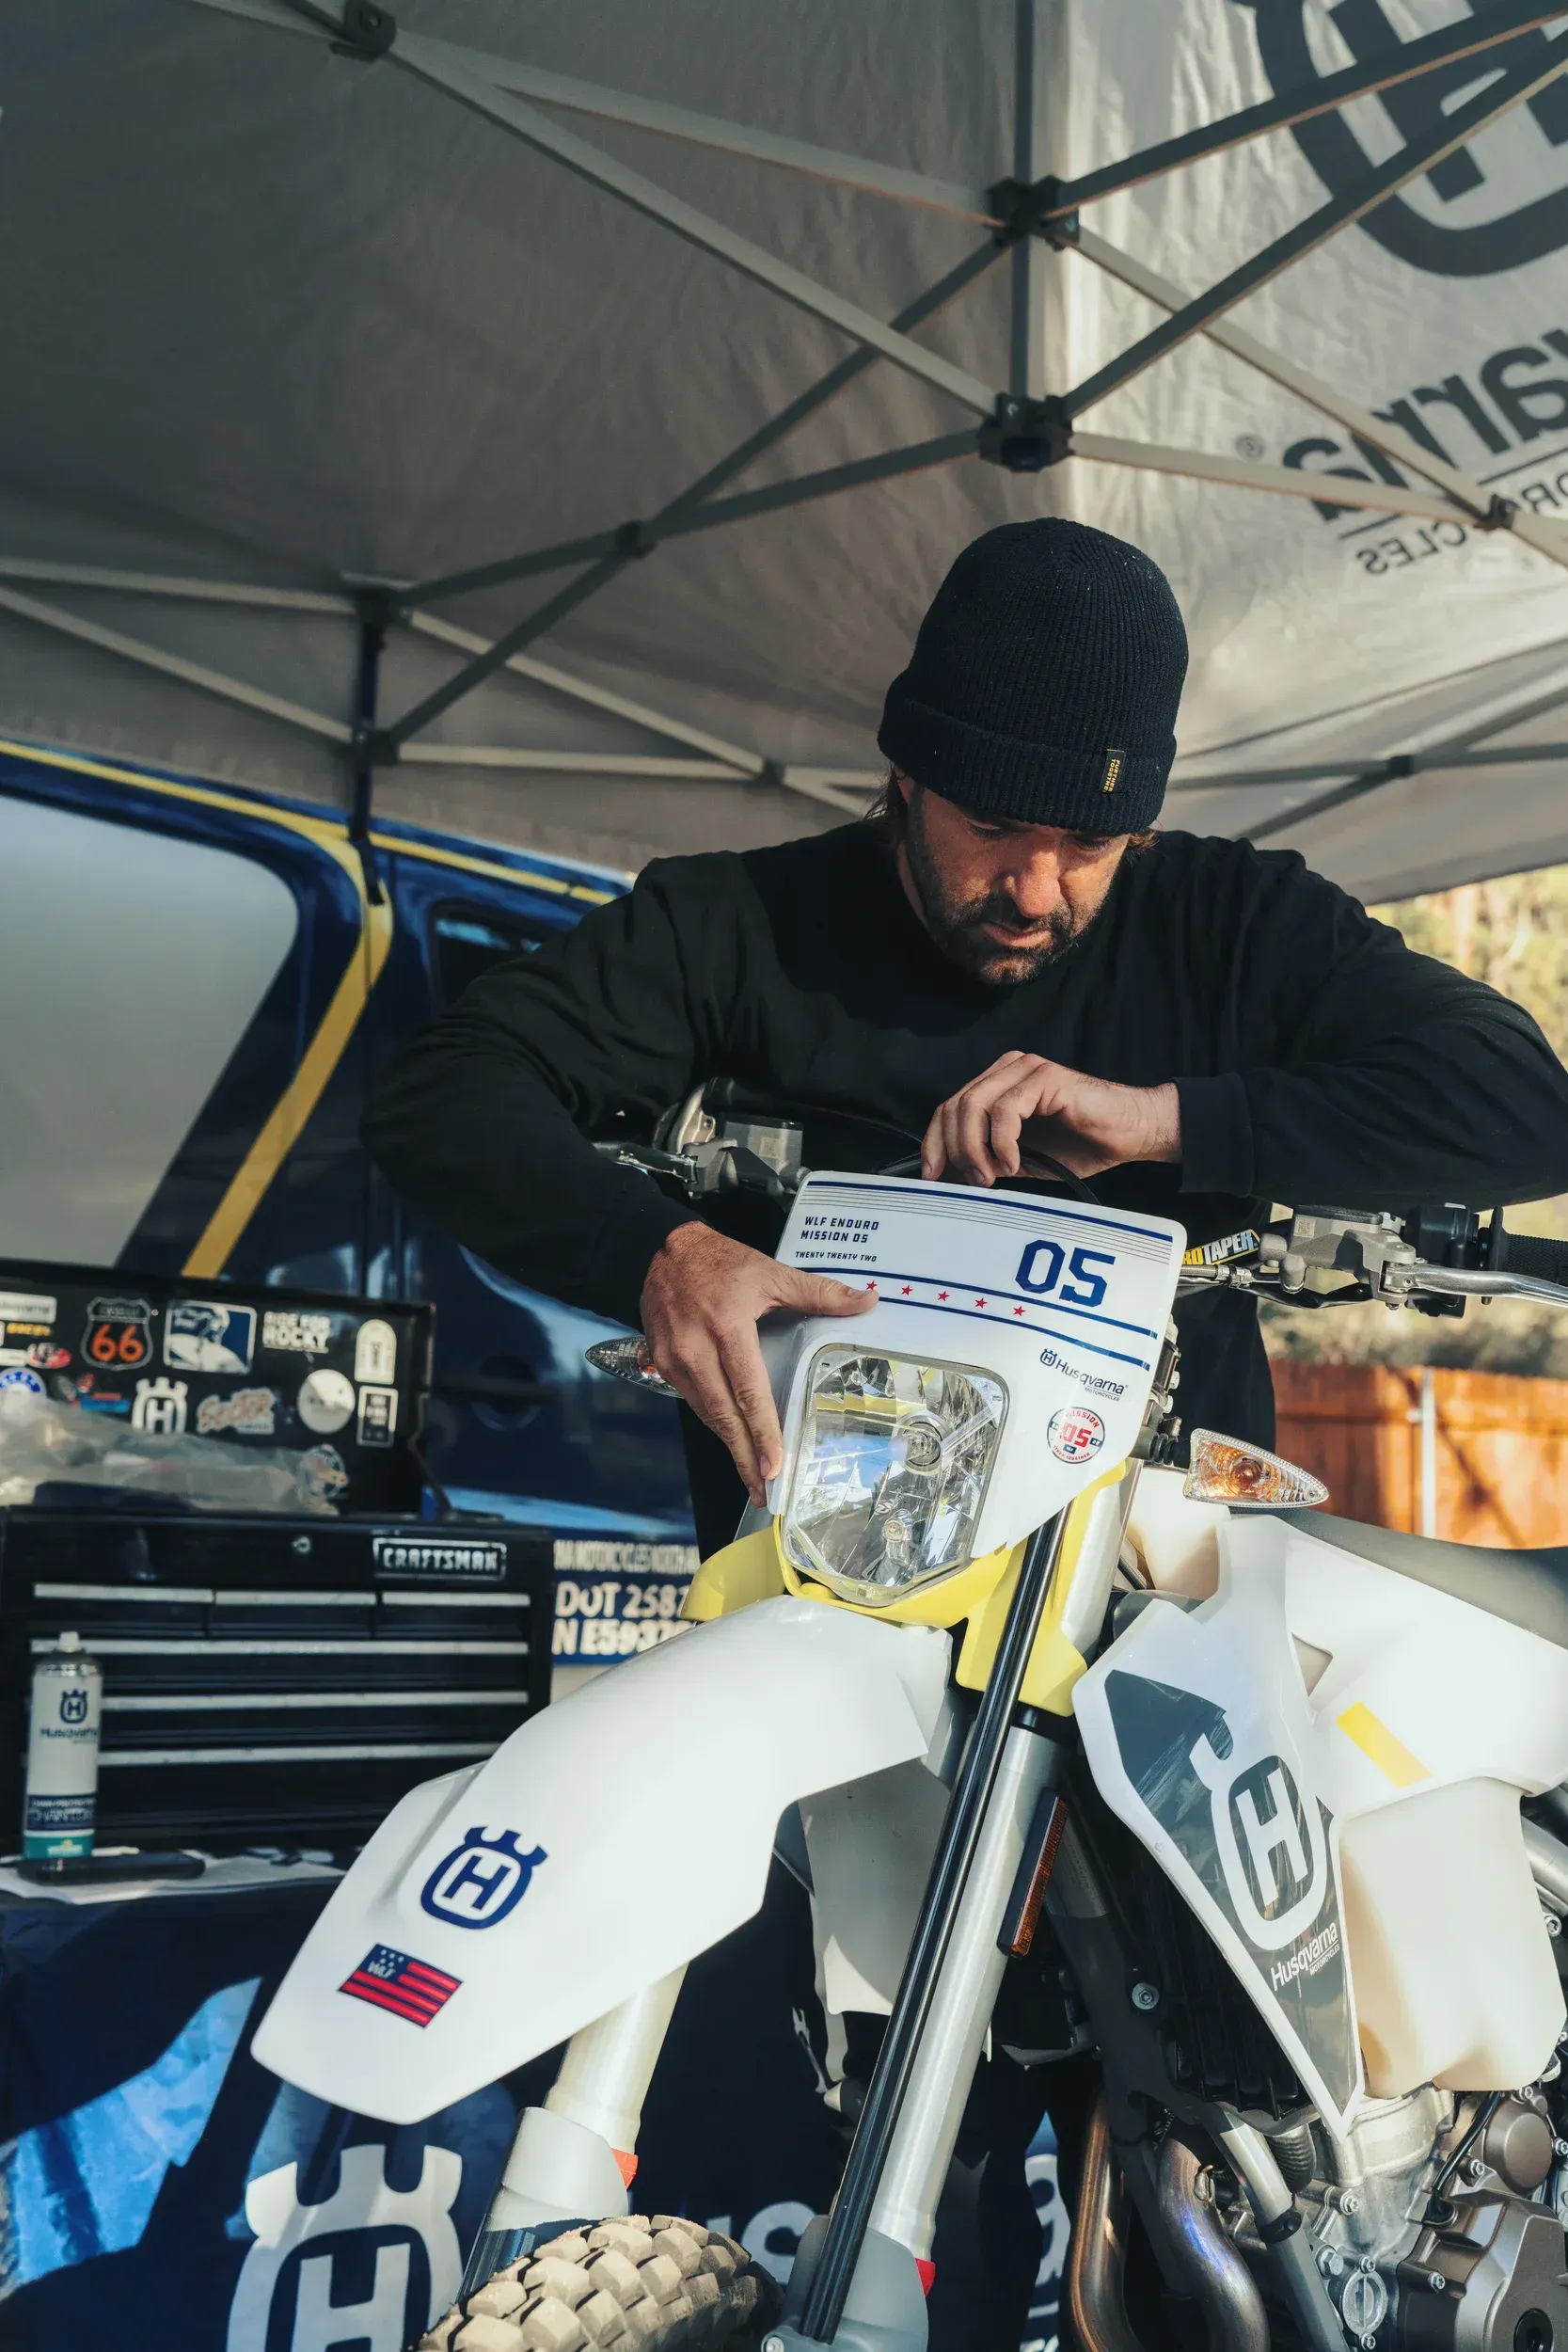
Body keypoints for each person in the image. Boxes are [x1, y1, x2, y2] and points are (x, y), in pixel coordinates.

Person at [363, 517, 1568, 2347]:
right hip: (842, 1650)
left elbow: (1518, 1100)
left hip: (1167, 1651)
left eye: (1091, 843)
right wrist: (657, 1249)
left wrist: (1167, 1117)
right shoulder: (736, 924)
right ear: (901, 771)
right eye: (995, 829)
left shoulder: (1223, 921)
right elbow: (442, 1088)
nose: (1038, 887)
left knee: (1204, 2160)